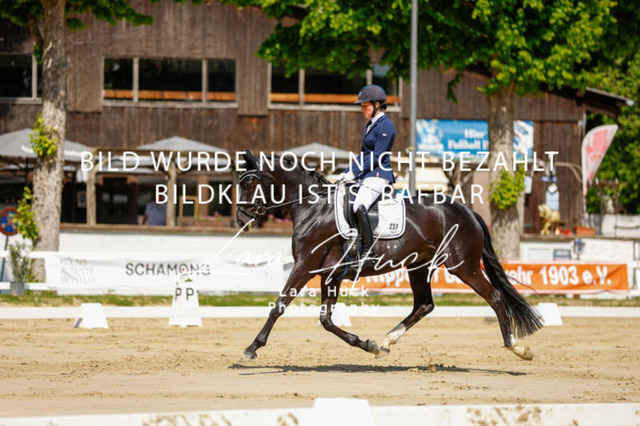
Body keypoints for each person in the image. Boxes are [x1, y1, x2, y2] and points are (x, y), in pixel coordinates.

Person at [338, 84, 396, 270]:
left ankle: (368, 252)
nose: (362, 109)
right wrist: (347, 171)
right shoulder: (371, 125)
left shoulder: (386, 126)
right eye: (362, 106)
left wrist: (355, 173)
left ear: (377, 104)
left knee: (359, 205)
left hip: (379, 174)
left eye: (365, 106)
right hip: (367, 174)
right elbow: (363, 154)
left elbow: (377, 156)